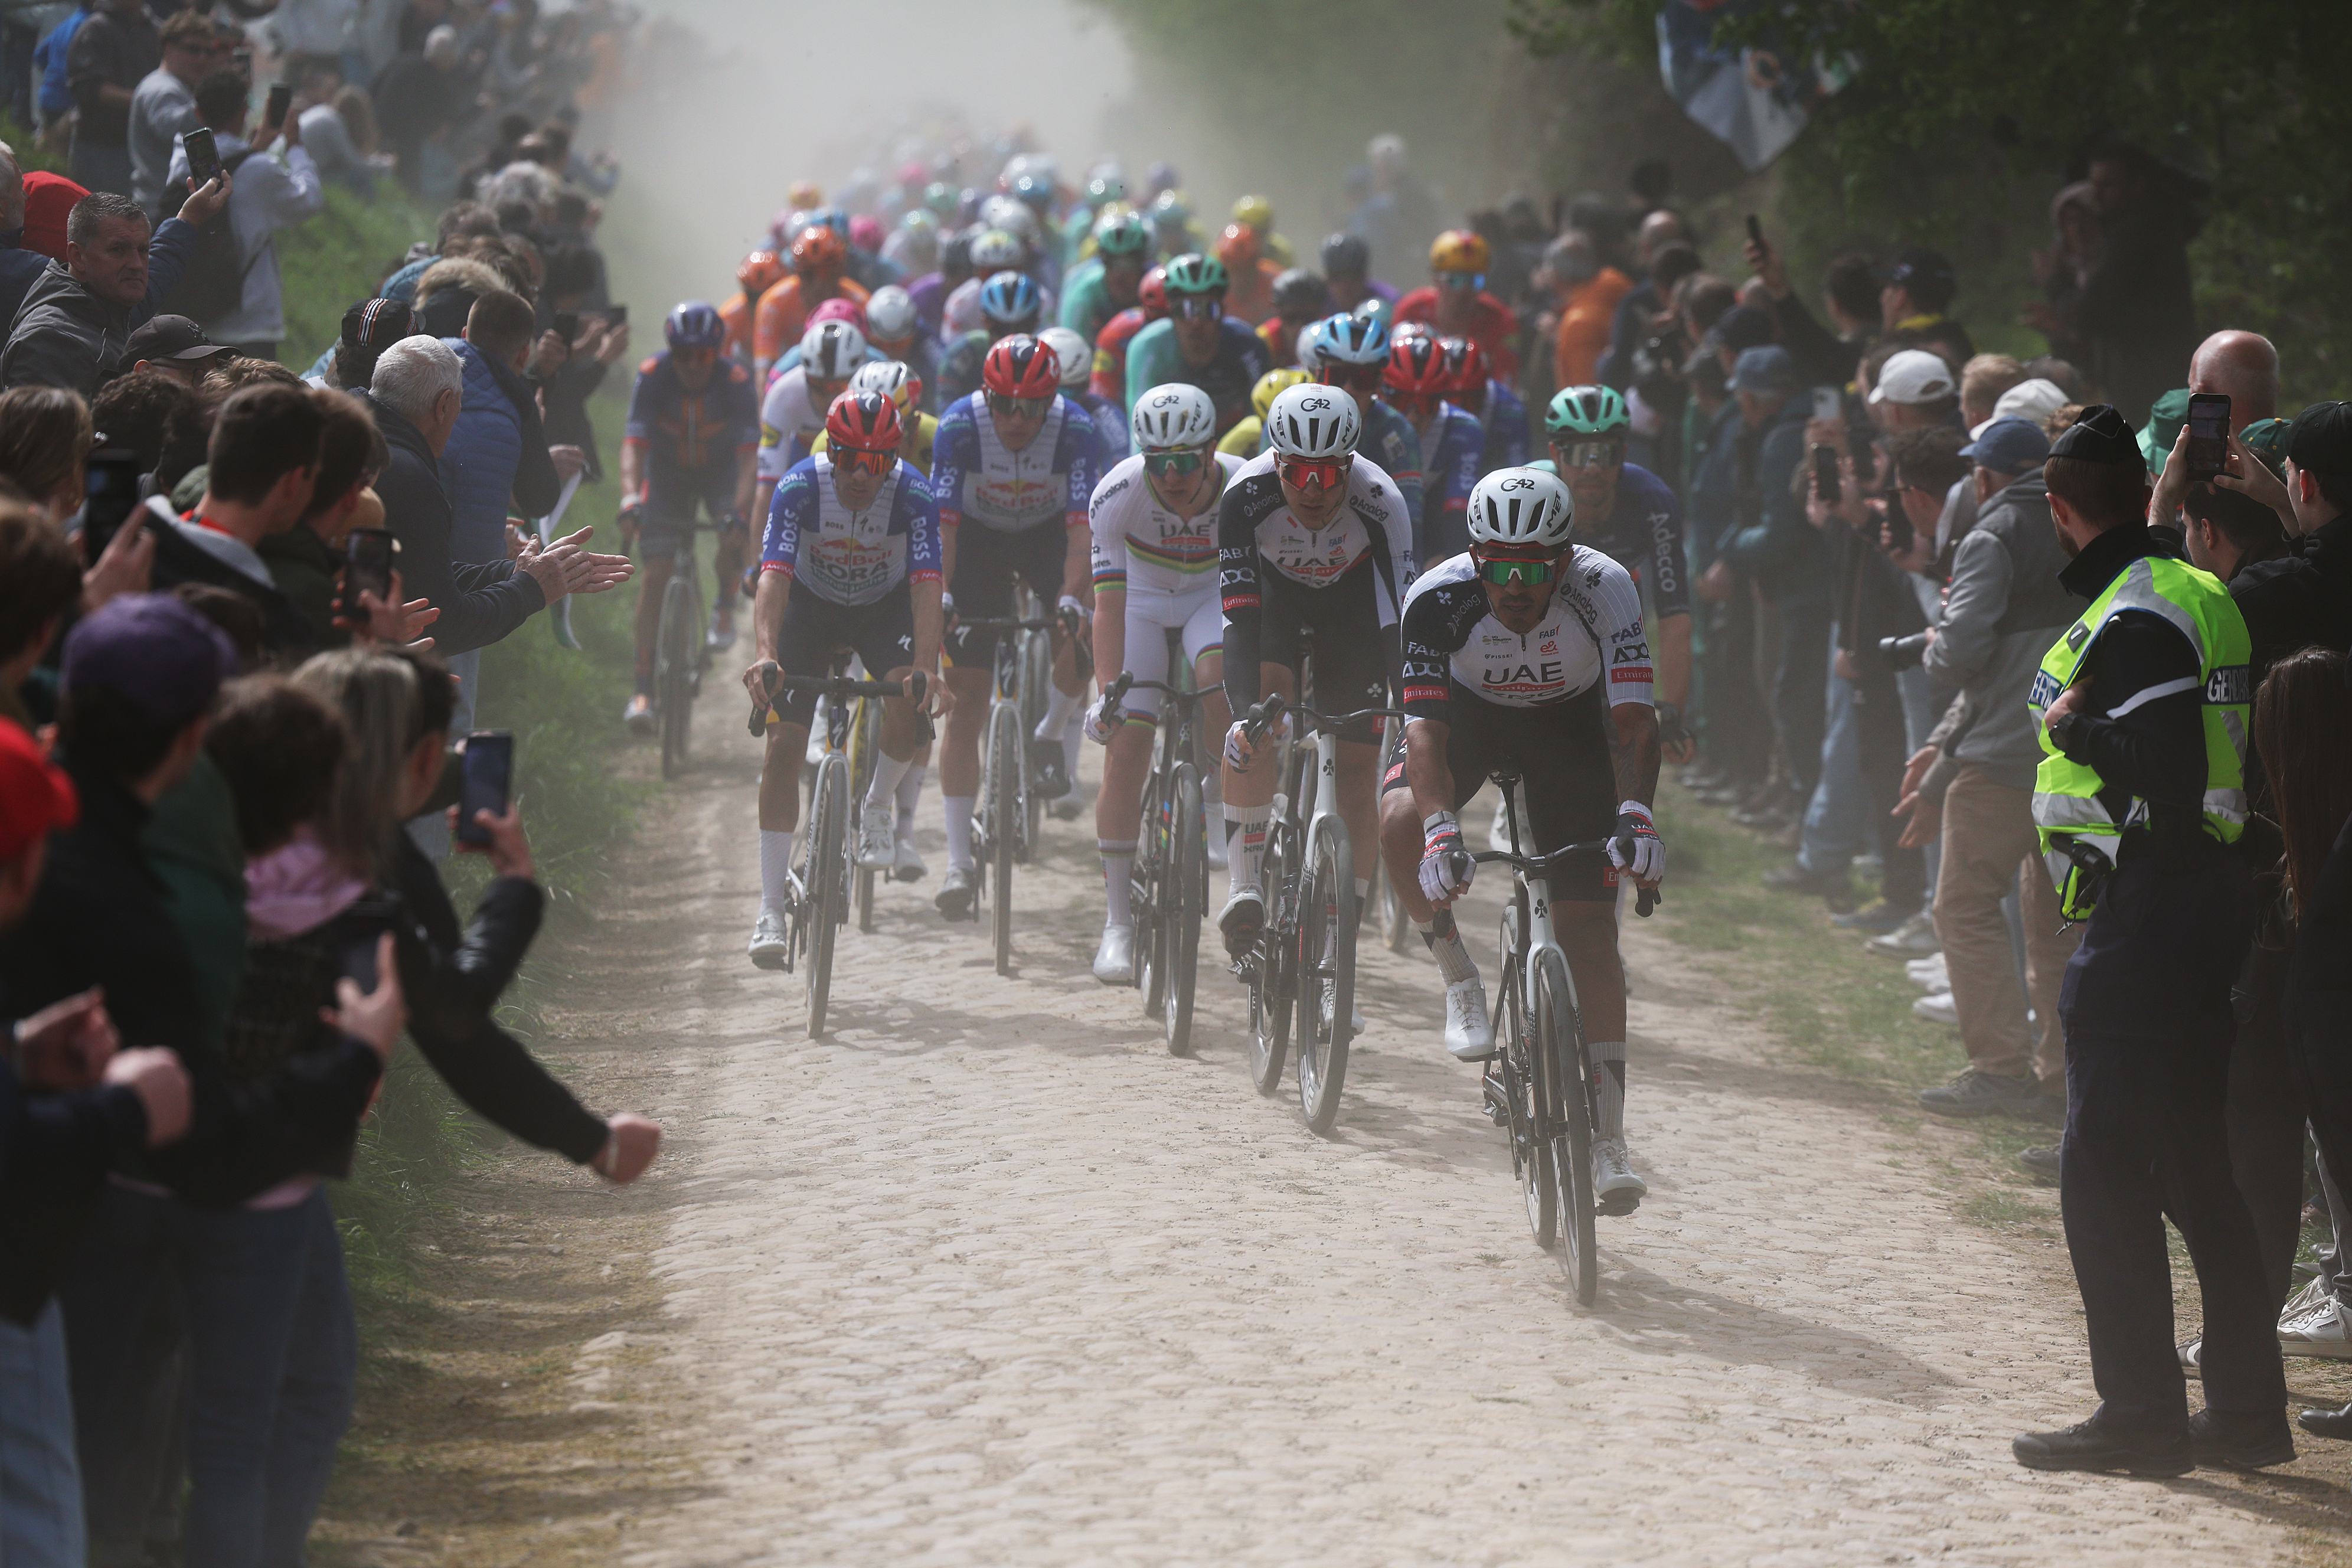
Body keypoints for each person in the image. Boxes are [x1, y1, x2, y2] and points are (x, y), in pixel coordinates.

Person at [2011, 404, 2290, 1476]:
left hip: (2151, 904)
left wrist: (2067, 728)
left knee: (2100, 1168)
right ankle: (2243, 1412)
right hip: (2204, 892)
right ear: (2143, 499)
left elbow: (2165, 765)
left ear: (2054, 511)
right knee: (2192, 1167)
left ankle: (2137, 1413)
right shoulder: (2189, 586)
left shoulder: (2133, 615)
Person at [1378, 466, 1662, 1206]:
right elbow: (1424, 733)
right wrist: (1442, 830)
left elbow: (1633, 722)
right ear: (1475, 557)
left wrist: (1638, 815)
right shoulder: (1437, 598)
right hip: (1467, 720)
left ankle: (1607, 1138)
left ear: (1564, 562)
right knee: (1400, 820)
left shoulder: (1607, 588)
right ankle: (1458, 976)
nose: (1514, 586)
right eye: (1498, 566)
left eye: (1533, 570)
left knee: (1591, 934)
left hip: (1567, 728)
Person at [1884, 417, 2081, 1123]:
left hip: (2001, 751)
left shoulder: (1993, 532)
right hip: (2079, 754)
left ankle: (1999, 1068)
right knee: (2058, 919)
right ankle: (2061, 1080)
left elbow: (1963, 648)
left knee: (1963, 907)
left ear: (1987, 476)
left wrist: (1933, 651)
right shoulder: (2087, 518)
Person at [741, 388, 946, 962]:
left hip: (881, 609)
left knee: (910, 692)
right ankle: (769, 910)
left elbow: (928, 583)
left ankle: (878, 804)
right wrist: (766, 654)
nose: (862, 473)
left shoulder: (913, 493)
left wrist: (928, 669)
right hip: (809, 607)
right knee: (782, 747)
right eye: (850, 458)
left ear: (894, 457)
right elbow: (775, 576)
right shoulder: (800, 486)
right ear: (831, 451)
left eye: (877, 460)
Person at [1215, 383, 1415, 959]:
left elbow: (1399, 616)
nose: (1311, 489)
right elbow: (1239, 620)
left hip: (1351, 612)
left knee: (1356, 766)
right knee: (1258, 722)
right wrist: (1240, 714)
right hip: (1275, 603)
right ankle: (1246, 883)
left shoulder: (1381, 499)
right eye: (1297, 472)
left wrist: (1410, 703)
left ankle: (1338, 938)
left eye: (1328, 476)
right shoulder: (1245, 496)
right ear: (1275, 460)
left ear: (1349, 467)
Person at [929, 333, 1100, 916]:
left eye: (1032, 407)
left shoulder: (1077, 430)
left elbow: (1084, 532)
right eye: (1005, 404)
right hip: (977, 542)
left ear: (1053, 403)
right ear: (986, 396)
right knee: (966, 700)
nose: (1018, 419)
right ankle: (957, 860)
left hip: (1050, 537)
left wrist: (1074, 600)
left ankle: (1050, 730)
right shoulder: (958, 427)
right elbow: (944, 529)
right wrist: (944, 593)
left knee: (1084, 629)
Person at [1084, 384, 1240, 980]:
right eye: (1159, 462)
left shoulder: (1242, 484)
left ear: (1209, 453)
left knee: (1217, 680)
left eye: (1184, 461)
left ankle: (1216, 793)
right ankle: (1118, 924)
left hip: (1210, 593)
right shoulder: (1118, 494)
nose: (1171, 475)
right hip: (1142, 601)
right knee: (1126, 752)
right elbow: (1108, 606)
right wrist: (1109, 694)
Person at [365, 337, 617, 661]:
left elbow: (424, 573)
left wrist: (519, 571)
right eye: (461, 404)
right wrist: (531, 590)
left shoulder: (348, 438)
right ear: (444, 406)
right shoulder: (409, 478)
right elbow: (445, 622)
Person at [619, 302, 757, 730]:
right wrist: (629, 499)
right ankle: (643, 689)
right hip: (667, 475)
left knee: (732, 531)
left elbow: (751, 460)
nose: (694, 365)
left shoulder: (735, 381)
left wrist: (737, 513)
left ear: (717, 352)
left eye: (704, 356)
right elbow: (634, 445)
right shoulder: (652, 375)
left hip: (721, 473)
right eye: (684, 355)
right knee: (656, 574)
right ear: (671, 352)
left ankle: (724, 602)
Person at [1698, 346, 1822, 822]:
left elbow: (1780, 533)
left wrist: (1730, 551)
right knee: (1786, 695)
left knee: (1789, 698)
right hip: (1796, 588)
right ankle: (1786, 791)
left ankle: (1799, 805)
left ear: (1750, 398)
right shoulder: (1797, 428)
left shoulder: (1781, 441)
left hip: (1798, 591)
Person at [1539, 385, 1693, 761]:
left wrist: (1670, 714)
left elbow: (1676, 618)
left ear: (1623, 455)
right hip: (1541, 609)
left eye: (1604, 453)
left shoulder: (1652, 501)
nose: (1592, 467)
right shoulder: (1534, 495)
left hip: (1615, 608)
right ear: (1555, 454)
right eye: (1577, 452)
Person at [2, 184, 223, 394]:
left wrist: (188, 220)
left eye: (143, 250)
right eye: (118, 250)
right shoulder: (49, 340)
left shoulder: (112, 308)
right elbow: (48, 433)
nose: (136, 264)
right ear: (78, 257)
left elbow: (158, 270)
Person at [1299, 311, 1424, 534]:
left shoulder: (1396, 430)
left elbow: (1410, 514)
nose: (1347, 388)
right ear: (1319, 376)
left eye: (1361, 379)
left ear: (1378, 384)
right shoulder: (1288, 417)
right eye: (1337, 377)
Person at [1118, 252, 1269, 433]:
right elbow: (1141, 427)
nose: (1196, 322)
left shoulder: (1248, 346)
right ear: (1170, 314)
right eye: (1184, 310)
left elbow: (1264, 426)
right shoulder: (1147, 347)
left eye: (1209, 310)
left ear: (1223, 311)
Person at [1382, 331, 1482, 567]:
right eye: (1402, 401)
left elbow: (1459, 509)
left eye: (1427, 403)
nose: (1412, 417)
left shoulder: (1465, 429)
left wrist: (1448, 557)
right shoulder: (1369, 420)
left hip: (1433, 528)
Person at [1393, 230, 1519, 384]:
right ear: (1435, 279)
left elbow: (1506, 382)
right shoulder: (1411, 311)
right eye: (1455, 280)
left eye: (1475, 281)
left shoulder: (1500, 319)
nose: (1465, 290)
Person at [752, 223, 870, 385]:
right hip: (793, 376)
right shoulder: (773, 303)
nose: (818, 284)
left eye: (828, 274)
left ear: (841, 271)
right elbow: (764, 370)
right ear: (797, 273)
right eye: (809, 275)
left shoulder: (861, 302)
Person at [126, 9, 216, 220]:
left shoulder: (181, 87)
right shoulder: (161, 89)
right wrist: (216, 100)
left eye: (208, 52)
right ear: (168, 49)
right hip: (161, 209)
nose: (202, 58)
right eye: (193, 49)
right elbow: (170, 127)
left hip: (172, 206)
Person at [63, 0, 158, 197]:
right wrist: (143, 101)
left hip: (145, 147)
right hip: (102, 146)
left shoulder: (155, 29)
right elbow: (88, 88)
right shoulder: (95, 29)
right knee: (103, 216)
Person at [1536, 229, 1632, 391]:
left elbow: (1587, 397)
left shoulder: (1577, 324)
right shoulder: (1615, 280)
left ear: (1557, 275)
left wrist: (1562, 337)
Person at [1057, 207, 1150, 346]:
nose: (1120, 274)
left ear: (1143, 262)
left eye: (1128, 264)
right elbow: (1069, 346)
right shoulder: (1082, 291)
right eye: (1112, 263)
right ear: (1102, 261)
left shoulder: (1154, 285)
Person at [1041, 324, 1125, 466]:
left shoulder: (1105, 415)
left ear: (1087, 385)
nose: (1063, 404)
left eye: (1072, 391)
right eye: (1052, 394)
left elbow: (1119, 473)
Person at [720, 248, 783, 365]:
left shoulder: (794, 302)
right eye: (753, 297)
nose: (761, 305)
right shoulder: (729, 316)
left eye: (769, 296)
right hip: (747, 363)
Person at [1318, 231, 1393, 316]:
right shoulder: (1314, 303)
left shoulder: (1389, 301)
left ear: (1365, 276)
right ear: (1326, 278)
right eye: (1337, 278)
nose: (1346, 287)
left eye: (1353, 277)